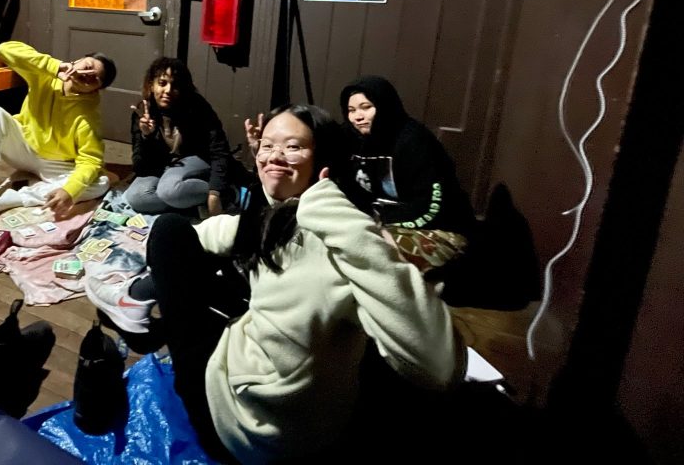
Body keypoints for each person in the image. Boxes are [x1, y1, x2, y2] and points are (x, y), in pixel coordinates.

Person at [136, 104, 465, 462]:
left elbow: (441, 366)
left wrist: (332, 212)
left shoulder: (348, 240)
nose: (275, 155)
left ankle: (146, 312)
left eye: (293, 147)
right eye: (266, 145)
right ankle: (143, 294)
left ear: (323, 162)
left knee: (167, 232)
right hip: (313, 420)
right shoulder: (280, 219)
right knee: (191, 241)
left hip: (243, 430)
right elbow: (224, 232)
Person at [0, 41, 116, 231]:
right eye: (88, 66)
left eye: (94, 78)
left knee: (100, 183)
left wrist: (69, 191)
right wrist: (55, 66)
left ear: (96, 89)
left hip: (56, 164)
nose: (86, 74)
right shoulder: (44, 74)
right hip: (23, 147)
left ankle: (18, 198)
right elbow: (5, 50)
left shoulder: (89, 116)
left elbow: (91, 160)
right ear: (76, 61)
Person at [340, 75, 477, 273]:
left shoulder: (414, 140)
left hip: (437, 228)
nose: (357, 116)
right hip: (375, 222)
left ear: (384, 106)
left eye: (366, 107)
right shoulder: (349, 137)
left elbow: (432, 207)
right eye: (351, 110)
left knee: (371, 249)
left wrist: (376, 221)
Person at [125, 57, 234, 217]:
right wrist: (146, 136)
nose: (168, 90)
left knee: (169, 191)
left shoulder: (197, 106)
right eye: (162, 83)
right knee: (136, 197)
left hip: (194, 159)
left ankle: (228, 193)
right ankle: (191, 206)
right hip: (163, 166)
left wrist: (215, 192)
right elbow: (141, 167)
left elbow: (219, 150)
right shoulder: (144, 112)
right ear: (151, 85)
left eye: (175, 85)